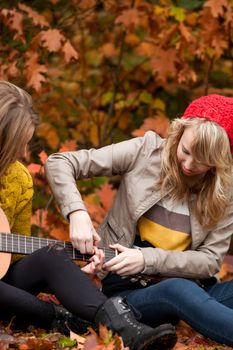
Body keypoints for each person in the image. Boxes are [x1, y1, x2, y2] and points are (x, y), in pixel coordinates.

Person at [0, 80, 177, 350]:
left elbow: (17, 258)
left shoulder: (19, 179)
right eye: (18, 144)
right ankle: (57, 318)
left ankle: (124, 329)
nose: (24, 154)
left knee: (50, 255)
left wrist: (75, 274)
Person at [45, 93, 233, 347]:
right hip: (128, 293)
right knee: (177, 290)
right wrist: (77, 213)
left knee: (187, 291)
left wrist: (147, 259)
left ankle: (205, 317)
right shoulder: (145, 151)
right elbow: (60, 162)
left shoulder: (225, 188)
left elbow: (210, 261)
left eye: (203, 162)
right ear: (179, 131)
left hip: (198, 290)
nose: (189, 165)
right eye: (185, 151)